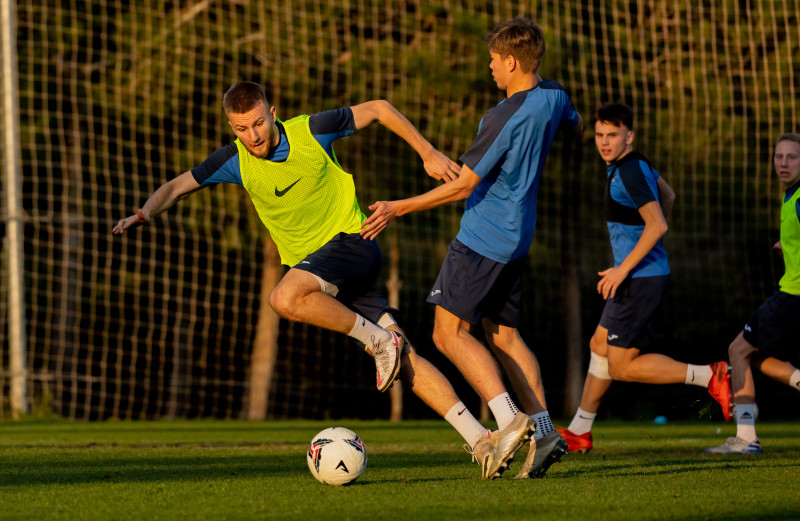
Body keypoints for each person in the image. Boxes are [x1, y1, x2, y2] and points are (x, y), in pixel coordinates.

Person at [113, 81, 530, 479]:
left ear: (272, 113)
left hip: (353, 243)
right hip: (330, 277)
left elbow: (380, 109)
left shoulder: (311, 130)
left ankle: (381, 343)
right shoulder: (233, 161)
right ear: (231, 128)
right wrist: (145, 213)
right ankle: (481, 440)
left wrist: (428, 151)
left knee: (284, 298)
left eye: (259, 123)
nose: (253, 135)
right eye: (242, 129)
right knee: (406, 363)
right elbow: (179, 186)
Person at [360, 18, 582, 479]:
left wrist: (399, 207)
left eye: (495, 60)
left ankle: (508, 420)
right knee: (503, 336)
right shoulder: (554, 96)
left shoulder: (502, 115)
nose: (490, 67)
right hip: (519, 237)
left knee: (447, 334)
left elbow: (464, 187)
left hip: (483, 237)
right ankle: (544, 431)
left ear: (512, 62)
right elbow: (573, 122)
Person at [558, 103, 732, 453]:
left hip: (638, 280)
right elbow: (668, 195)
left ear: (629, 136)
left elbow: (658, 224)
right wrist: (644, 251)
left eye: (613, 135)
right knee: (598, 345)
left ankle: (710, 376)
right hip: (641, 275)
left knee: (620, 366)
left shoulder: (630, 172)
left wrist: (625, 267)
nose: (604, 142)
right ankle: (580, 431)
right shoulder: (635, 165)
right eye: (600, 135)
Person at [706, 132, 800, 454]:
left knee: (736, 351)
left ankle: (746, 438)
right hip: (792, 295)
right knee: (755, 356)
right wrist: (787, 247)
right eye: (779, 156)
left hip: (792, 297)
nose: (783, 163)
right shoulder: (791, 195)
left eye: (792, 157)